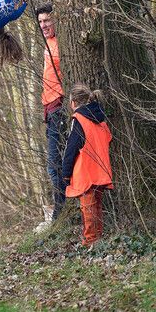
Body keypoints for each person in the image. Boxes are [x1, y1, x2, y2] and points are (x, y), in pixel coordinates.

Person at [62, 84, 113, 246]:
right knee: (96, 206)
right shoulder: (100, 119)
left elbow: (71, 148)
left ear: (74, 102)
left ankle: (91, 241)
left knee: (88, 208)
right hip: (101, 170)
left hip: (86, 172)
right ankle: (97, 239)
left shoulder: (79, 119)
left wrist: (66, 172)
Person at [35, 5, 66, 232]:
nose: (44, 25)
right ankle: (61, 208)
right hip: (50, 108)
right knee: (56, 163)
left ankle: (60, 211)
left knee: (54, 165)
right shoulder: (47, 46)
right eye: (41, 22)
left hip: (60, 107)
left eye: (47, 20)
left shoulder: (61, 44)